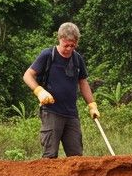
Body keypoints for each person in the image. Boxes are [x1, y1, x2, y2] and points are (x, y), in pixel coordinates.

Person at [23, 22, 99, 158]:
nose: (69, 49)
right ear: (60, 39)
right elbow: (27, 75)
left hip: (71, 114)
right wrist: (39, 91)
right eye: (66, 45)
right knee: (50, 155)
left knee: (76, 156)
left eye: (73, 45)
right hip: (52, 111)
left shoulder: (77, 59)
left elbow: (83, 82)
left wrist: (92, 105)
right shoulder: (48, 55)